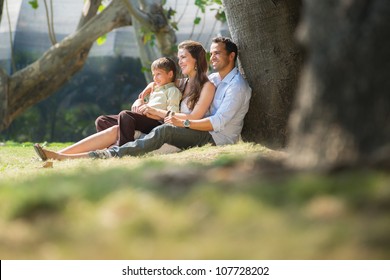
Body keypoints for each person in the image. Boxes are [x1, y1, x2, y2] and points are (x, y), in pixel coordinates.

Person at [34, 40, 215, 160]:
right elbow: (159, 81)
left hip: (169, 125)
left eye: (183, 57)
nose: (180, 61)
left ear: (196, 60)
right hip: (156, 118)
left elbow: (194, 117)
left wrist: (154, 111)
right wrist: (142, 97)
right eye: (179, 57)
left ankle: (121, 148)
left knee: (124, 117)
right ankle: (56, 154)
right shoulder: (182, 82)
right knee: (104, 121)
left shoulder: (205, 85)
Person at [94, 57, 181, 146]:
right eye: (153, 75)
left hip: (155, 123)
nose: (155, 78)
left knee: (125, 115)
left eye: (158, 74)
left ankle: (125, 148)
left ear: (170, 74)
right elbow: (142, 100)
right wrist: (141, 100)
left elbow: (172, 115)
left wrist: (157, 116)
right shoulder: (154, 89)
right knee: (101, 120)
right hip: (142, 118)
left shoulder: (172, 90)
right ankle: (109, 146)